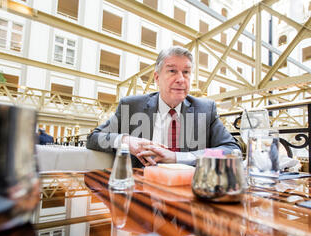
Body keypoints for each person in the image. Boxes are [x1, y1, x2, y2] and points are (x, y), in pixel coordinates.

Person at [86, 46, 240, 168]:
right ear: (157, 78)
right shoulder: (132, 106)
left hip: (188, 191)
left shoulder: (205, 109)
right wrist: (126, 141)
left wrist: (176, 157)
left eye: (186, 72)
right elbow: (94, 138)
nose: (181, 79)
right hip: (140, 191)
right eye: (172, 71)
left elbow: (232, 150)